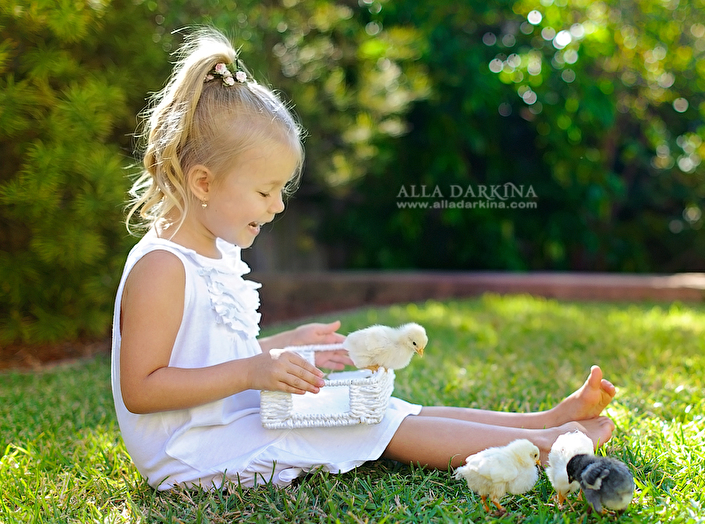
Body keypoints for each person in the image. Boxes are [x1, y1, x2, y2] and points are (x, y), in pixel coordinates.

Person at [112, 27, 616, 491]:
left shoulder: (214, 254)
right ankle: (544, 447)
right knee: (365, 424)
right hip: (190, 451)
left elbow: (211, 360)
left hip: (227, 422)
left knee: (380, 408)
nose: (278, 206)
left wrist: (287, 345)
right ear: (203, 183)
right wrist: (252, 372)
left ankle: (542, 422)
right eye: (265, 191)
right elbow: (142, 388)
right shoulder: (163, 266)